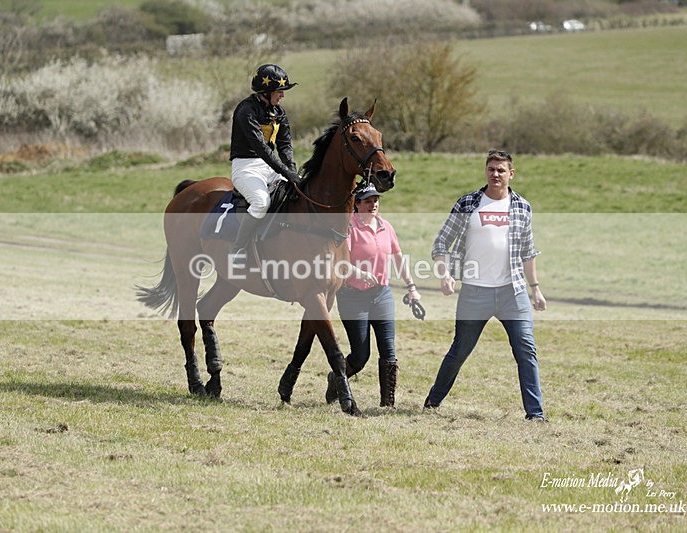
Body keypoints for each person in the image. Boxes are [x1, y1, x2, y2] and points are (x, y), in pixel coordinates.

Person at [425, 149, 547, 421]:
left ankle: (535, 415)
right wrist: (445, 274)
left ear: (511, 174)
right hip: (474, 292)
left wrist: (535, 288)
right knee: (459, 351)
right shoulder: (468, 203)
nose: (495, 174)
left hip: (512, 292)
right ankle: (433, 401)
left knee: (526, 350)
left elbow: (528, 251)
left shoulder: (522, 207)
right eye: (491, 169)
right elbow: (441, 242)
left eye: (501, 170)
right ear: (486, 171)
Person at [325, 183, 422, 408]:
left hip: (382, 295)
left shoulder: (386, 226)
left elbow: (398, 257)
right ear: (357, 204)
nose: (373, 204)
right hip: (352, 297)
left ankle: (387, 404)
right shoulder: (349, 227)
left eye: (376, 200)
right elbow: (339, 263)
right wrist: (358, 272)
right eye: (368, 200)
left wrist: (412, 286)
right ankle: (336, 379)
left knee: (388, 349)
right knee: (360, 356)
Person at [229, 64, 302, 262]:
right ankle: (238, 249)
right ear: (266, 91)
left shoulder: (279, 111)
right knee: (261, 203)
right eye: (280, 91)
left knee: (297, 194)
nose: (283, 96)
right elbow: (262, 149)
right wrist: (287, 173)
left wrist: (293, 172)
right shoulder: (246, 110)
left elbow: (285, 145)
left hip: (270, 167)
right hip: (246, 167)